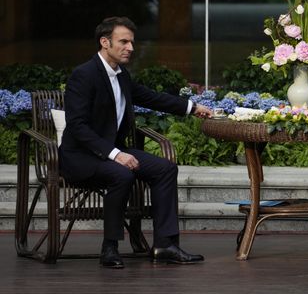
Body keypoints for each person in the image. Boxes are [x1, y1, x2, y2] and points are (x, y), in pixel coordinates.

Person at [59, 16, 212, 269]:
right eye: (124, 42)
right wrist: (115, 154)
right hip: (81, 157)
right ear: (105, 42)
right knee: (122, 175)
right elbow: (78, 126)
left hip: (111, 153)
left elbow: (150, 97)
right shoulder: (83, 75)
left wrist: (192, 107)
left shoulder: (121, 75)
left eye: (132, 42)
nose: (130, 47)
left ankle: (165, 245)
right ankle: (110, 247)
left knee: (165, 169)